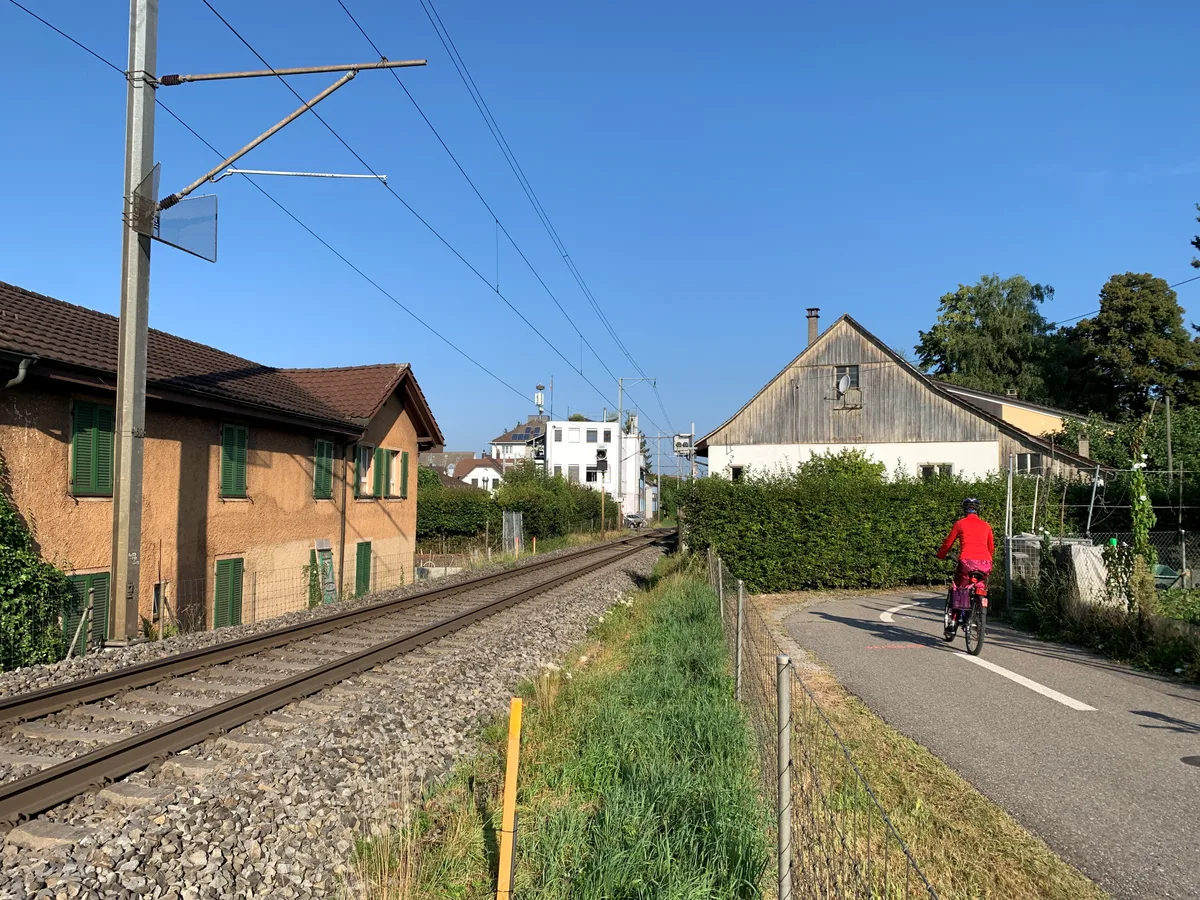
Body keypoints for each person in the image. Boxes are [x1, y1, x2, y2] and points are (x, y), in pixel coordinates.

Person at [936, 498, 995, 622]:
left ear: (964, 510)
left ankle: (955, 618)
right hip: (985, 563)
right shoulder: (986, 525)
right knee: (980, 584)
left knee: (959, 586)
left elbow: (948, 543)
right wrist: (988, 561)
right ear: (978, 510)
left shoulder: (960, 523)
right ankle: (980, 611)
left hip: (967, 562)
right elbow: (991, 547)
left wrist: (941, 555)